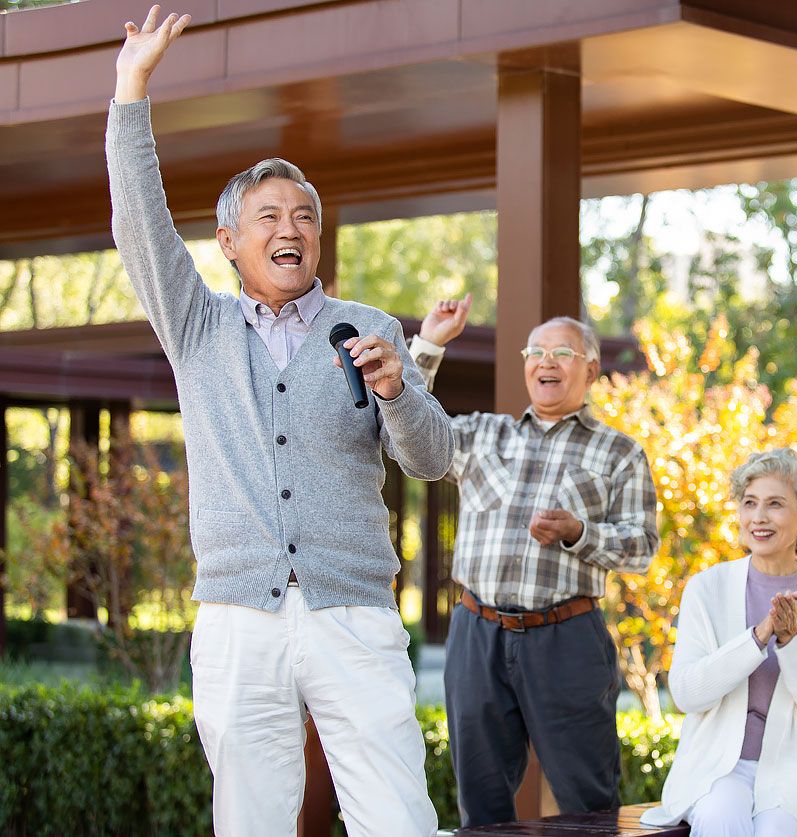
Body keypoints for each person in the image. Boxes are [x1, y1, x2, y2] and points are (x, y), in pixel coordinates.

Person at [107, 8, 453, 835]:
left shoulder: (368, 323)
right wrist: (132, 87)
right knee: (252, 815)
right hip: (238, 613)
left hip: (353, 609)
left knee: (397, 813)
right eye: (267, 216)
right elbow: (140, 224)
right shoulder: (198, 327)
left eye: (302, 215)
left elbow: (433, 459)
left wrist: (400, 392)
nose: (289, 228)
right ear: (229, 241)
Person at [409, 296, 660, 826]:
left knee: (588, 800)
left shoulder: (620, 453)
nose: (546, 361)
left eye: (562, 351)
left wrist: (579, 533)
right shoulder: (482, 434)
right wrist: (430, 343)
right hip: (476, 633)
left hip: (566, 639)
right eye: (536, 351)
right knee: (480, 802)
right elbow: (409, 431)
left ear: (589, 369)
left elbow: (641, 548)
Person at [641, 448, 797, 837]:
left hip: (794, 772)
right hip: (716, 768)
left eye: (775, 504)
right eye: (749, 503)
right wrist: (758, 637)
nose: (758, 517)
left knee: (779, 830)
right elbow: (687, 695)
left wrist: (790, 640)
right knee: (721, 816)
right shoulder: (706, 588)